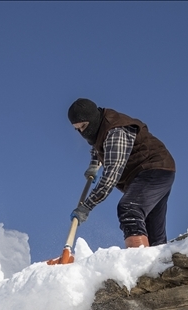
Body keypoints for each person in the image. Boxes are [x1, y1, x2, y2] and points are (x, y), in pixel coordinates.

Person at [67, 98, 176, 248]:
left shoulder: (116, 131)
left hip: (153, 169)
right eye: (77, 129)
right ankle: (159, 265)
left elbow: (111, 176)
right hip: (153, 171)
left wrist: (86, 206)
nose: (82, 132)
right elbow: (97, 145)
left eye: (84, 126)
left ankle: (138, 262)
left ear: (93, 119)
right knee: (153, 234)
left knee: (130, 208)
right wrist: (94, 164)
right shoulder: (100, 127)